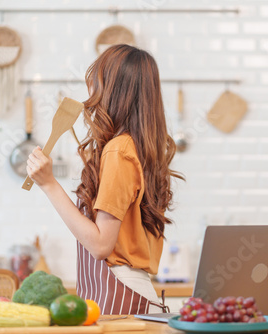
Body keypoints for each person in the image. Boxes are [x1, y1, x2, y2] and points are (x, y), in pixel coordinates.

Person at [26, 44, 183, 314]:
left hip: (120, 295)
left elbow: (100, 245)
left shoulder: (119, 150)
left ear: (114, 91)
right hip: (126, 291)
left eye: (97, 82)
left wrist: (49, 184)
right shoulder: (137, 147)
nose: (91, 91)